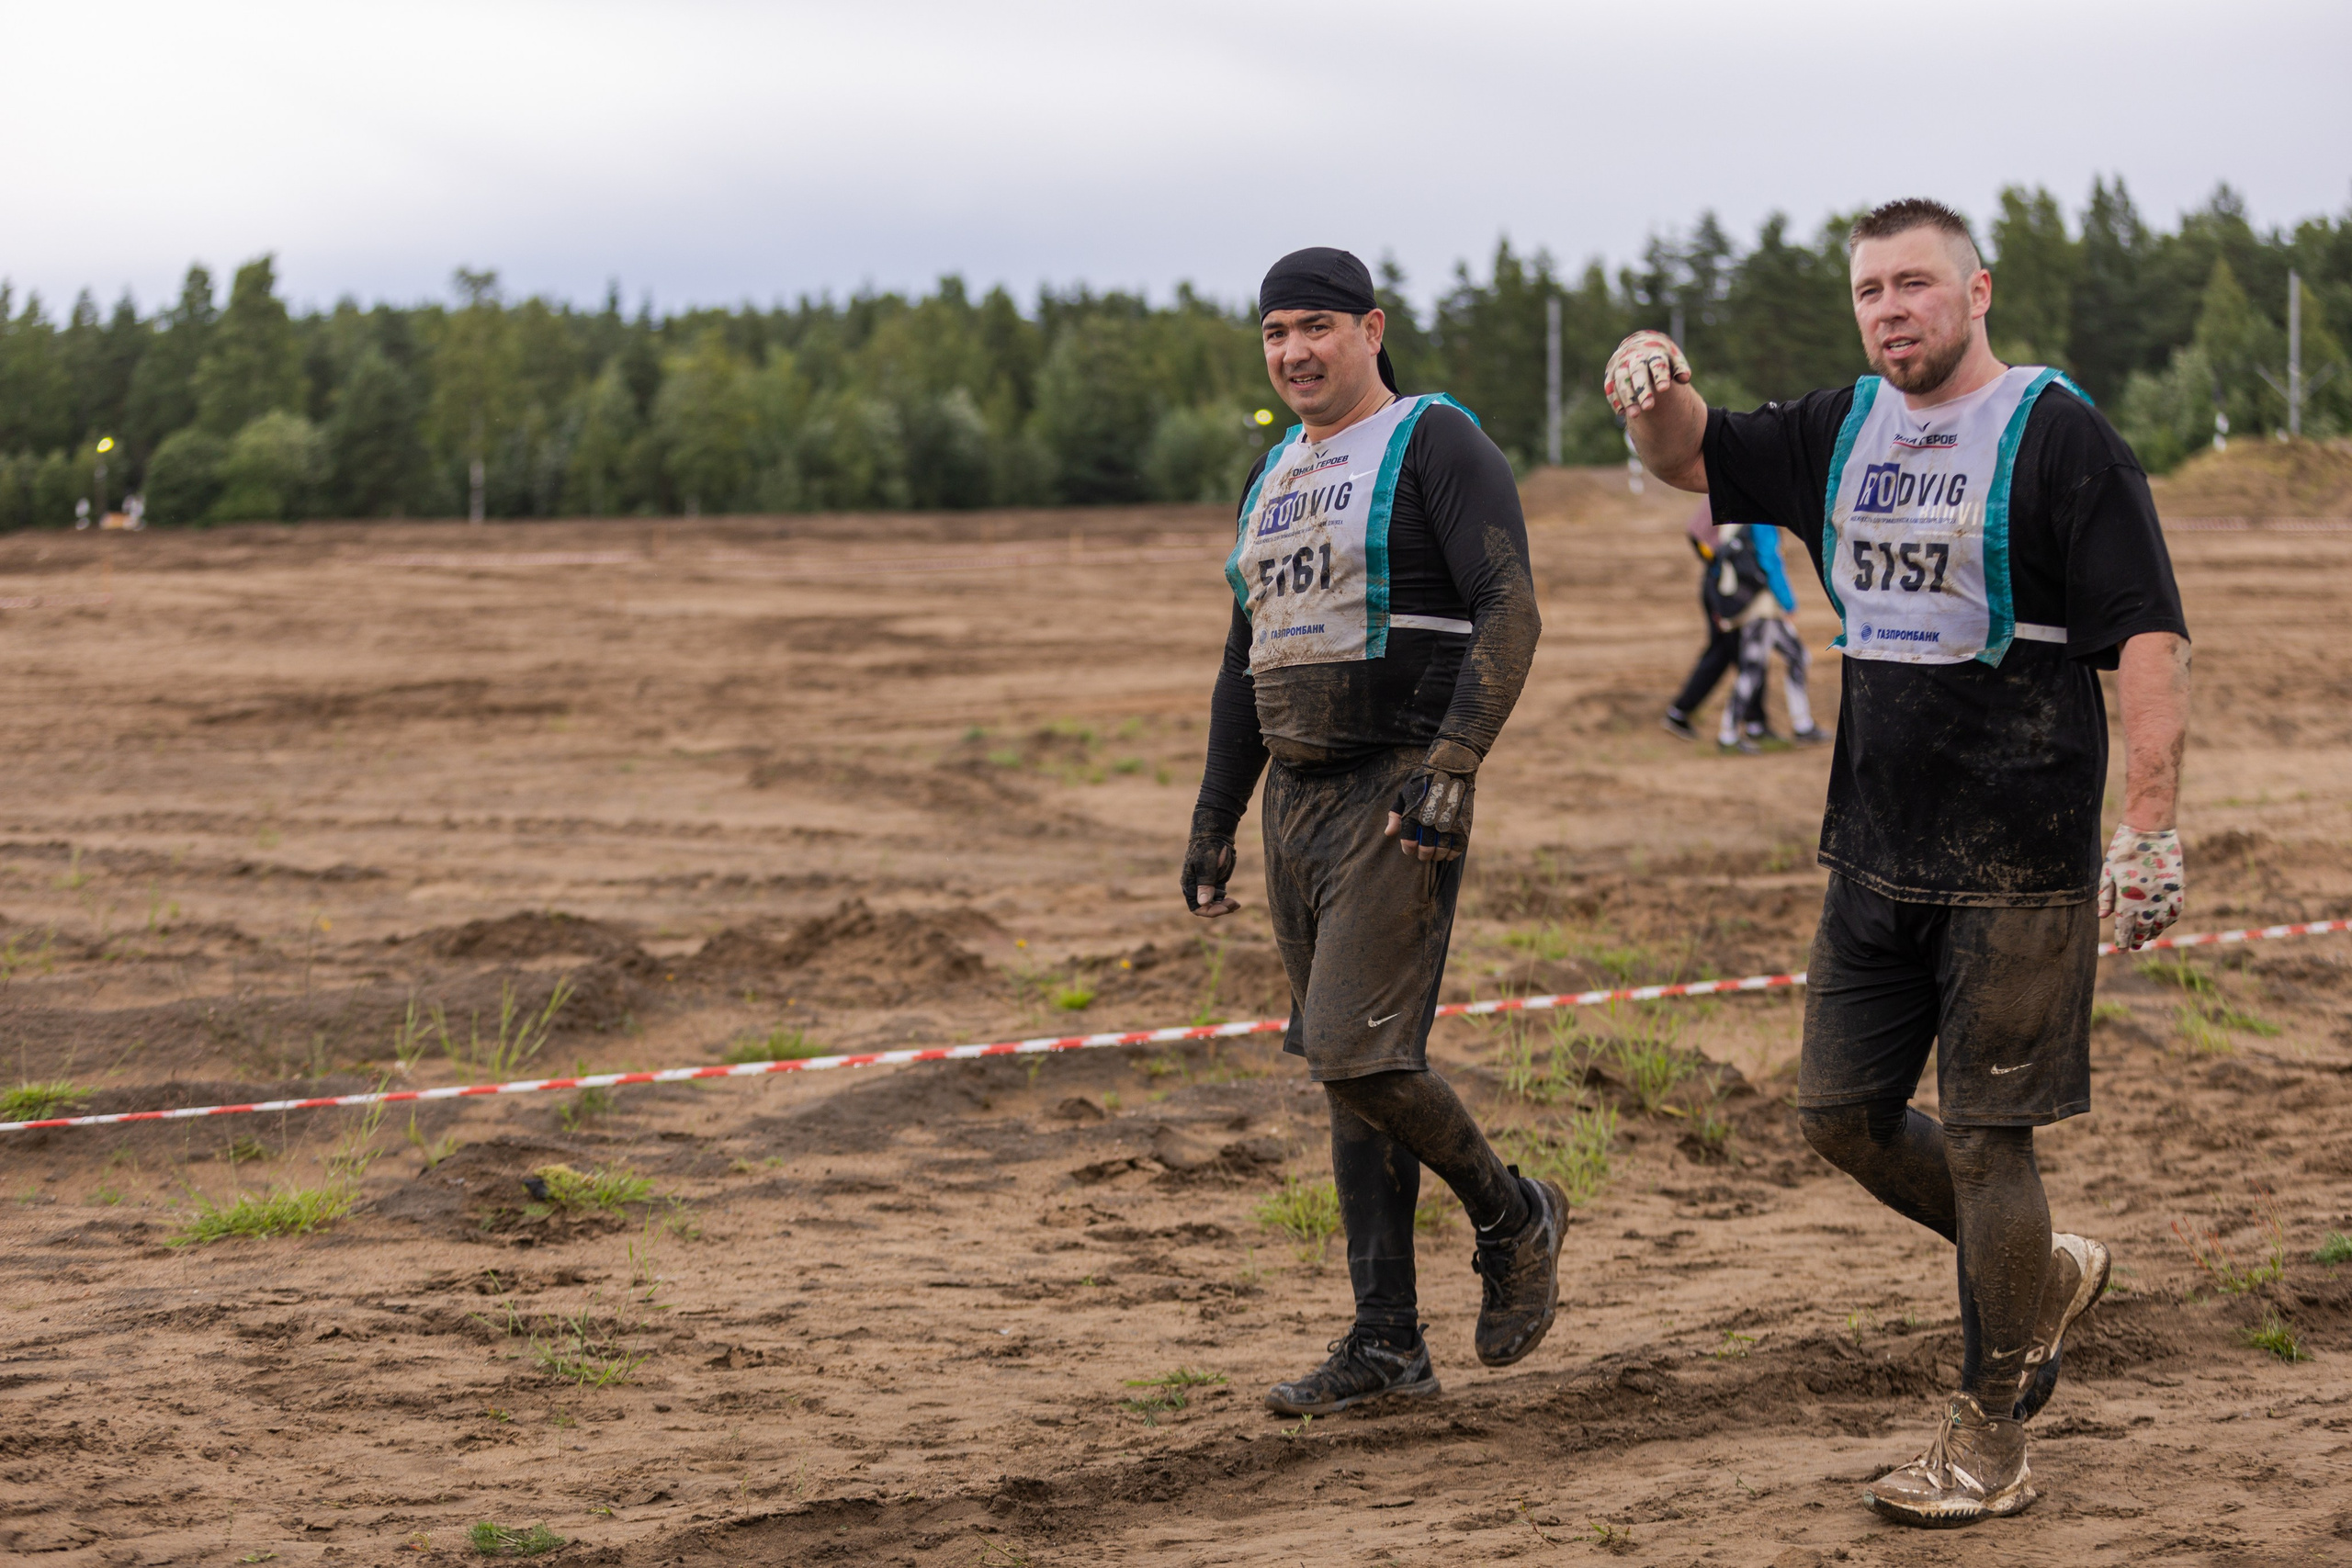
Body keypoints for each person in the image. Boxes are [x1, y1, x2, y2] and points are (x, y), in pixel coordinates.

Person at [1604, 197, 2191, 1529]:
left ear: (1977, 291)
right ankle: (2039, 1273)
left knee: (1990, 1144)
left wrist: (2148, 823)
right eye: (1870, 291)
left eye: (1914, 286)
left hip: (2021, 855)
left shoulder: (2059, 433)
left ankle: (1990, 1437)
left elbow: (2147, 636)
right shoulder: (1837, 429)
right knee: (1838, 1115)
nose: (1889, 312)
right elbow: (1688, 454)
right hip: (1873, 847)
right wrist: (1654, 380)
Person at [1185, 246, 1567, 1416]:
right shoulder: (1272, 474)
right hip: (1294, 803)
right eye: (1274, 334)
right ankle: (1386, 1344)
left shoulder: (1434, 439)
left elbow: (1510, 604)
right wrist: (1214, 818)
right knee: (1347, 1075)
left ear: (1369, 329)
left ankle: (1514, 1214)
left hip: (1400, 789)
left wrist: (1454, 764)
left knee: (1358, 1050)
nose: (1294, 351)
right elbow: (1246, 656)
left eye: (1315, 327)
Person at [1720, 520, 1827, 751]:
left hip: (1746, 602)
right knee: (1752, 669)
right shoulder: (1759, 518)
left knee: (1797, 655)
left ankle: (1803, 725)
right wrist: (1788, 602)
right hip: (1762, 608)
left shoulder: (1731, 515)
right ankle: (1727, 735)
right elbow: (1770, 561)